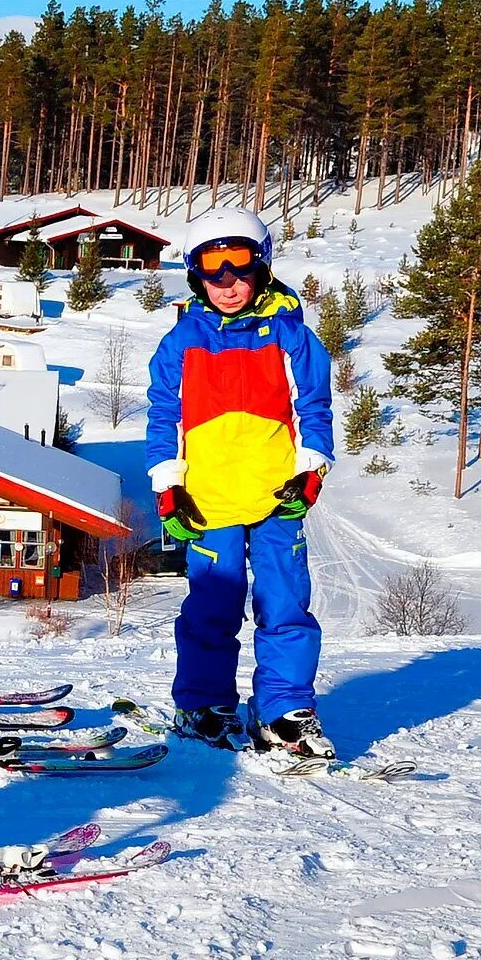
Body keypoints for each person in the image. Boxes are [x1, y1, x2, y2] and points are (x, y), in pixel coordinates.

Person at [145, 207, 335, 759]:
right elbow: (165, 416)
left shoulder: (292, 336)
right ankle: (205, 706)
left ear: (263, 263)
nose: (227, 281)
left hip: (277, 497)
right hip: (209, 500)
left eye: (239, 263)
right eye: (212, 267)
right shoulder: (181, 342)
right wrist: (167, 483)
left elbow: (314, 408)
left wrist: (309, 471)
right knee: (211, 605)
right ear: (195, 274)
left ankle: (285, 711)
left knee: (285, 604)